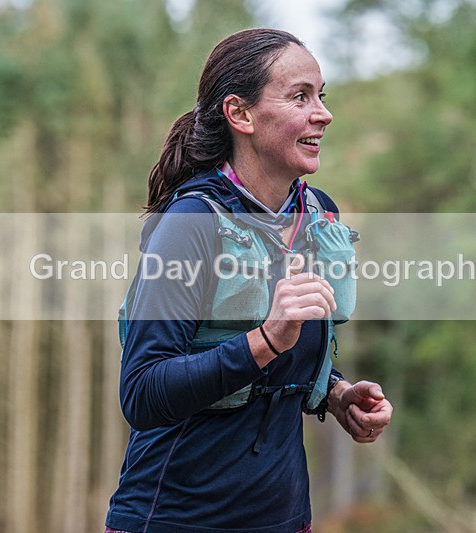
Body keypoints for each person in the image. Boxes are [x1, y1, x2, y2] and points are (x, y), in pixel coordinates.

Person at [106, 28, 392, 533]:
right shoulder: (190, 224)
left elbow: (295, 363)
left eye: (321, 96)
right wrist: (263, 341)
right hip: (175, 519)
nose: (322, 113)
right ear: (240, 115)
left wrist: (337, 394)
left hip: (285, 517)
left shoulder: (319, 214)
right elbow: (142, 391)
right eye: (300, 96)